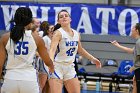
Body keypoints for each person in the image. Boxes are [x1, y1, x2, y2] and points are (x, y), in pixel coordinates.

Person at [0, 7, 54, 93]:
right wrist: (52, 66)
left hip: (10, 79)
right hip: (29, 80)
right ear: (29, 22)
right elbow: (47, 61)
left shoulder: (5, 38)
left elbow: (0, 64)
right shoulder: (37, 38)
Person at [49, 9, 101, 93]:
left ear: (70, 19)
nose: (64, 17)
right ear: (58, 21)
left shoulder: (77, 34)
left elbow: (80, 50)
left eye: (66, 15)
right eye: (61, 17)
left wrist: (93, 59)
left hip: (70, 67)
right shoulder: (58, 33)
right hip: (57, 67)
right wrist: (50, 63)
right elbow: (52, 50)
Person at [111, 23, 140, 93]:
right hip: (138, 70)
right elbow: (131, 51)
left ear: (137, 31)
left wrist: (134, 67)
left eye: (133, 28)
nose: (131, 29)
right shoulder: (138, 42)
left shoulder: (139, 42)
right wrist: (118, 45)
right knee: (135, 84)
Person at [37, 21, 55, 93]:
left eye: (54, 29)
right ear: (47, 31)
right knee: (41, 85)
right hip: (43, 63)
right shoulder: (45, 38)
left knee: (49, 86)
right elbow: (38, 51)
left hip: (52, 64)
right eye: (51, 29)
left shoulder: (55, 39)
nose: (52, 30)